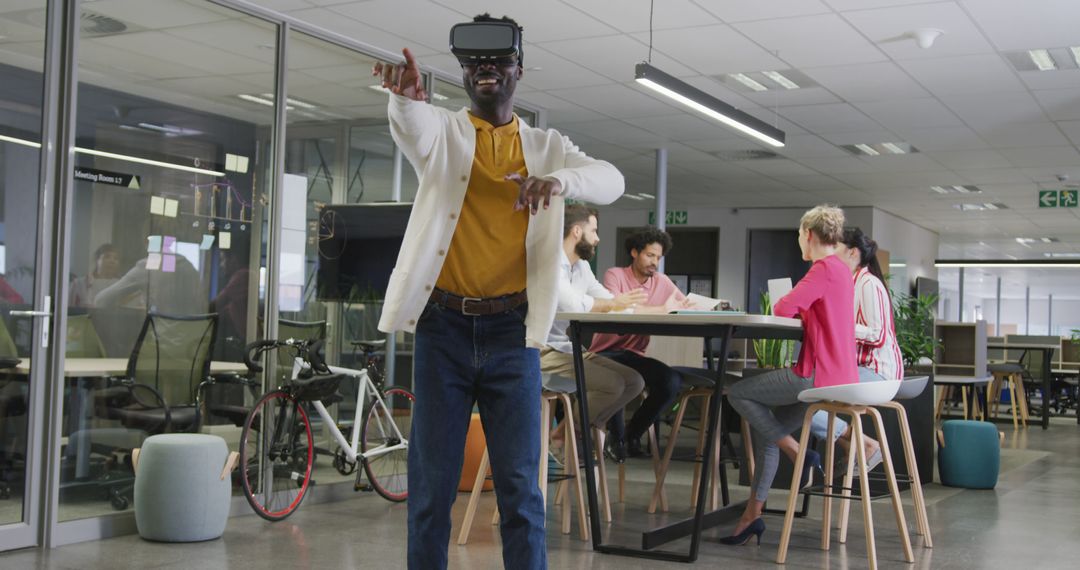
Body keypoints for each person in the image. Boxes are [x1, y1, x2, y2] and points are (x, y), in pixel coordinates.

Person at [373, 14, 624, 570]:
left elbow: (612, 179)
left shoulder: (546, 144)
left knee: (520, 493)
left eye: (498, 62)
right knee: (432, 489)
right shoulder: (444, 131)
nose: (486, 70)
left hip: (514, 334)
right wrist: (407, 102)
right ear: (463, 74)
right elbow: (413, 129)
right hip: (443, 330)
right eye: (474, 64)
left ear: (519, 71)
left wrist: (559, 181)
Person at [723, 205, 876, 546]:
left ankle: (797, 451)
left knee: (738, 393)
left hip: (815, 374)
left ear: (808, 235)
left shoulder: (822, 268)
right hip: (837, 375)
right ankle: (753, 514)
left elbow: (781, 308)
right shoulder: (841, 269)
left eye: (799, 237)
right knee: (768, 430)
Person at [541, 205, 644, 449]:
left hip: (564, 347)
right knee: (613, 385)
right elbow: (574, 305)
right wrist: (613, 304)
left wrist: (625, 306)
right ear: (577, 231)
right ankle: (577, 436)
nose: (597, 238)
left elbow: (607, 298)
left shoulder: (581, 266)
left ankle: (567, 432)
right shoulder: (550, 262)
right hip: (540, 350)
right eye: (594, 230)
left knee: (634, 382)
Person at [807, 227, 905, 470]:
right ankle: (859, 442)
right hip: (860, 369)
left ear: (852, 253)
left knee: (800, 395)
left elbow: (877, 334)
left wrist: (838, 326)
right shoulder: (848, 284)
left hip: (878, 373)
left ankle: (862, 443)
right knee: (799, 395)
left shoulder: (868, 283)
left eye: (835, 248)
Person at [589, 227, 690, 459]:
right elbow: (618, 307)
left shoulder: (661, 282)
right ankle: (616, 439)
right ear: (634, 252)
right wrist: (662, 309)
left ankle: (631, 435)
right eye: (649, 255)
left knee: (671, 381)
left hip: (634, 356)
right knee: (620, 378)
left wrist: (705, 306)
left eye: (658, 257)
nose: (654, 262)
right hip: (605, 353)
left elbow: (682, 305)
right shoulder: (615, 275)